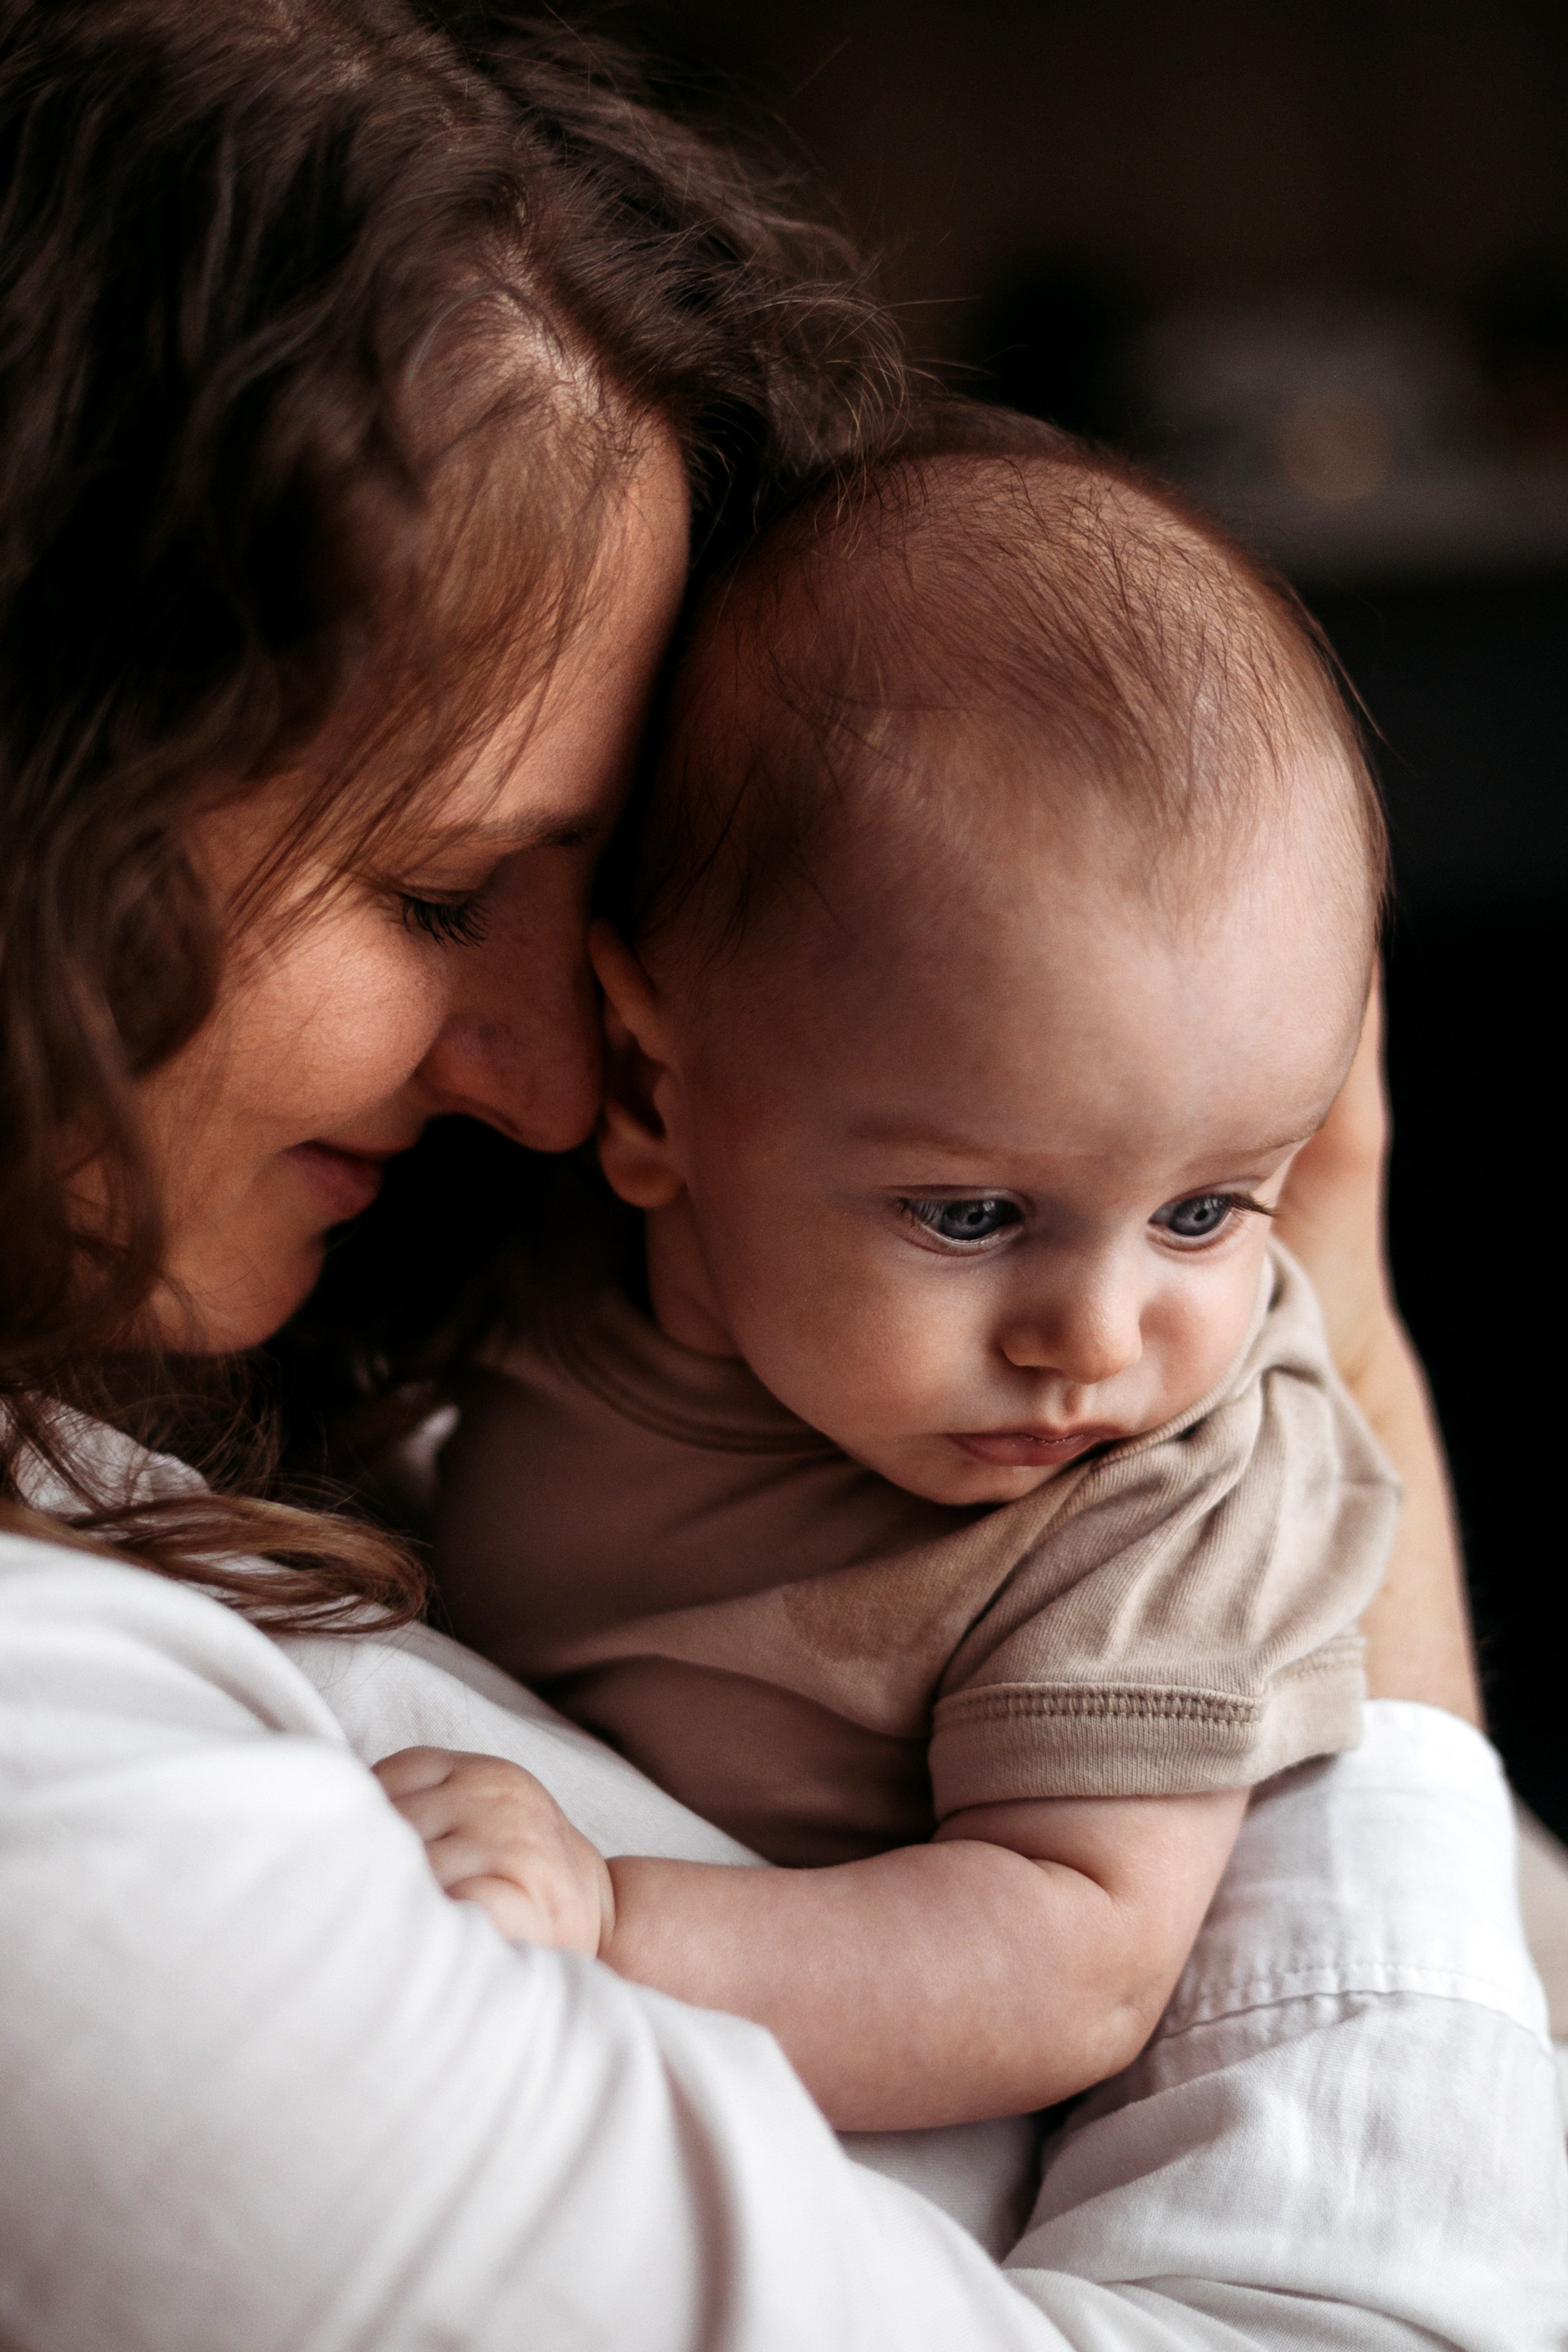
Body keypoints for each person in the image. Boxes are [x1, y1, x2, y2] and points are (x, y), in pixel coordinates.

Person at [1, 5, 1563, 2349]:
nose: (547, 1087)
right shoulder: (66, 1814)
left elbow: (1077, 1929)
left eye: (1202, 1208)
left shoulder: (234, 1395)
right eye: (436, 894)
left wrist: (1314, 1382)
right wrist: (1336, 1317)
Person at [425, 429, 1400, 2134]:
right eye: (969, 1216)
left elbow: (1067, 1956)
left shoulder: (1173, 1491)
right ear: (656, 1097)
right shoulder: (518, 1274)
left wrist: (611, 1915)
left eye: (1206, 1211)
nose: (1094, 1343)